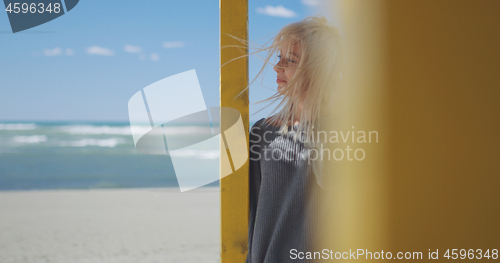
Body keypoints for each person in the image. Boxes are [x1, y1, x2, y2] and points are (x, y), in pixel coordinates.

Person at [231, 15, 343, 262]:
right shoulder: (262, 131)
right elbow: (252, 210)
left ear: (318, 69)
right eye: (278, 57)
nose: (277, 67)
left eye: (290, 60)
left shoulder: (343, 130)